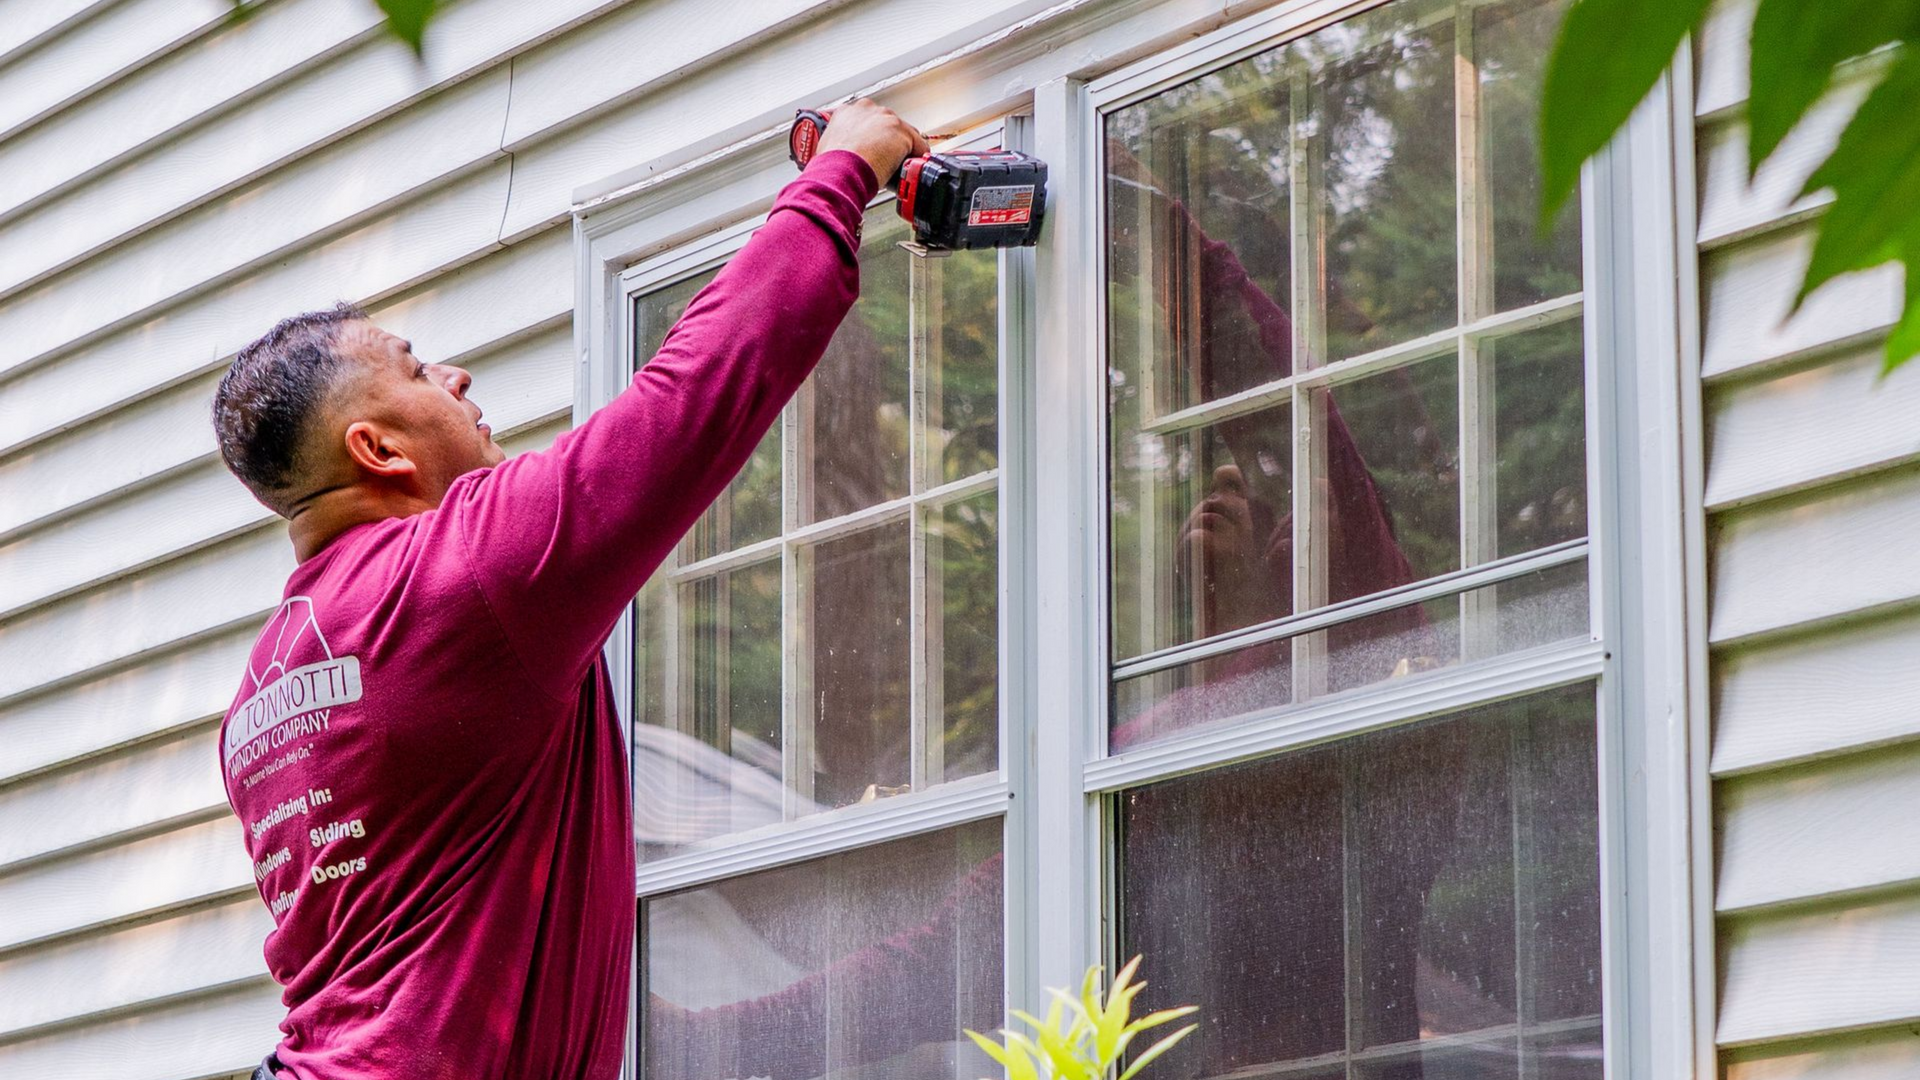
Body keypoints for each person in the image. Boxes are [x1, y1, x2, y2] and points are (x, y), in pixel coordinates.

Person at [210, 99, 928, 1080]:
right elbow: (689, 400)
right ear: (375, 450)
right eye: (418, 370)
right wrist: (840, 173)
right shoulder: (456, 576)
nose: (455, 378)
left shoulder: (259, 696)